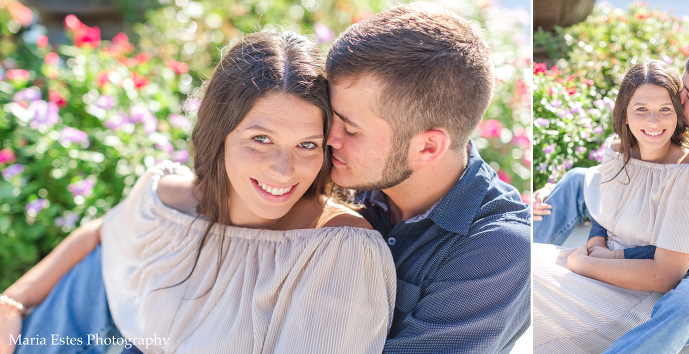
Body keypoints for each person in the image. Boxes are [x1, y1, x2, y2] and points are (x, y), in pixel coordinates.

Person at [0, 31, 396, 354]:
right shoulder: (167, 200)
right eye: (260, 139)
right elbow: (101, 233)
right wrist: (12, 303)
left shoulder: (339, 250)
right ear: (219, 134)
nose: (283, 169)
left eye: (306, 145)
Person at [533, 44, 689, 353]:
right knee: (578, 179)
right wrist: (596, 234)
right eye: (682, 87)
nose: (678, 98)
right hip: (664, 237)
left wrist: (613, 257)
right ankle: (518, 254)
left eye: (688, 95)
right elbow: (628, 178)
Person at [325, 2, 531, 353]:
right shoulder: (343, 168)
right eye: (331, 116)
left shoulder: (500, 250)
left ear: (427, 147)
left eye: (351, 129)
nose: (329, 138)